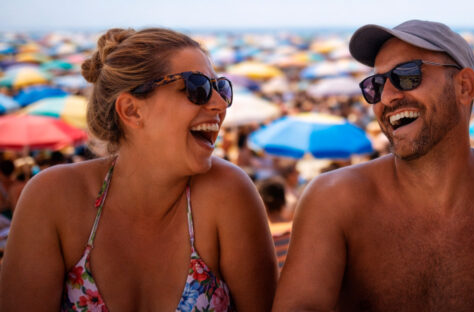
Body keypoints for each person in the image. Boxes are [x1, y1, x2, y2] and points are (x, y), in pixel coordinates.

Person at [273, 20, 474, 312]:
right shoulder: (335, 199)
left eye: (407, 75)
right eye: (374, 85)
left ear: (465, 86)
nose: (387, 97)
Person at [0, 28, 277, 311]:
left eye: (221, 88)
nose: (220, 104)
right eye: (198, 88)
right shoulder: (53, 198)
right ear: (132, 111)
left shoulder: (229, 193)